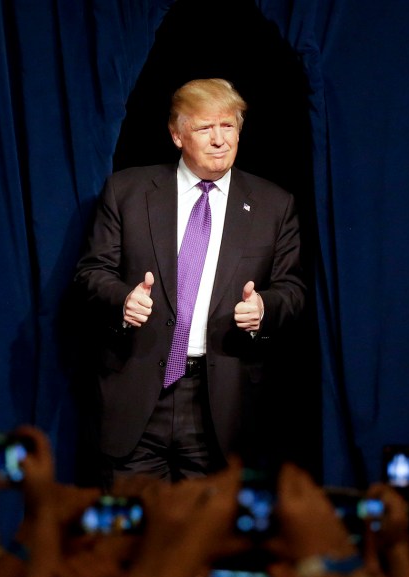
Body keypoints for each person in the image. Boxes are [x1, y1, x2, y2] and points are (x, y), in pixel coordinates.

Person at [74, 78, 306, 484]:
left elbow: (293, 290)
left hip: (222, 405)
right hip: (138, 395)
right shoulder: (127, 191)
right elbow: (91, 273)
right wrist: (123, 300)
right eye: (204, 127)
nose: (219, 139)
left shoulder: (274, 204)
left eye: (228, 126)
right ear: (177, 135)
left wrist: (264, 308)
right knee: (136, 524)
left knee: (203, 527)